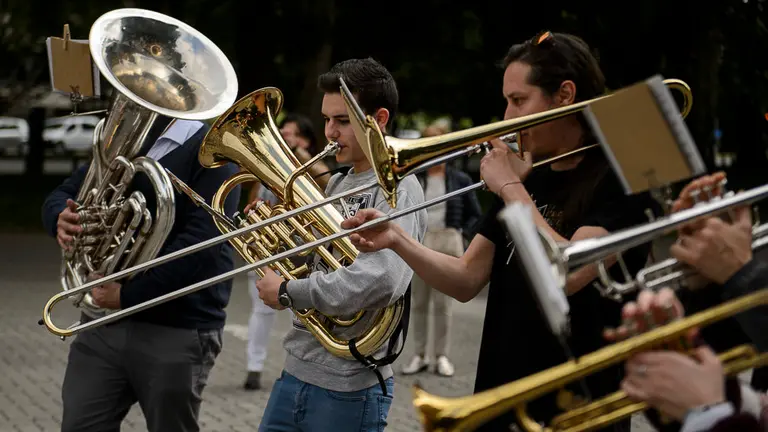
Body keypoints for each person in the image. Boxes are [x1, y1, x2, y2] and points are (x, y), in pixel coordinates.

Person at [342, 31, 658, 431]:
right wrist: (397, 240)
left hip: (578, 406)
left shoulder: (620, 176)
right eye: (507, 101)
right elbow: (466, 279)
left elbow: (570, 272)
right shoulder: (528, 176)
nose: (508, 117)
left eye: (519, 101)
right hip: (500, 395)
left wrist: (510, 188)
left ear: (564, 94)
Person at [252, 58, 427, 431]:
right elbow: (317, 260)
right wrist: (268, 233)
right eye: (327, 119)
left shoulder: (398, 189)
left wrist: (287, 291)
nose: (329, 132)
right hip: (296, 370)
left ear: (378, 119)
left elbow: (380, 280)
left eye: (342, 121)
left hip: (350, 387)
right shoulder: (337, 183)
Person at [42, 118, 240, 432]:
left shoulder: (214, 151)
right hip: (104, 323)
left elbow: (203, 245)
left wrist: (127, 294)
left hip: (177, 328)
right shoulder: (130, 138)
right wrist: (58, 217)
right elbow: (68, 190)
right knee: (79, 424)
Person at [243, 113, 330, 391]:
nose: (282, 135)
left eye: (289, 132)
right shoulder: (267, 167)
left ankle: (302, 370)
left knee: (304, 315)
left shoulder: (314, 167)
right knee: (261, 311)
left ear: (304, 140)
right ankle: (253, 368)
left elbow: (329, 185)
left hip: (301, 253)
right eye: (281, 131)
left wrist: (298, 152)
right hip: (266, 249)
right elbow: (253, 198)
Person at [401, 122, 483, 377]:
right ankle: (420, 354)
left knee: (443, 304)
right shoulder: (416, 178)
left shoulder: (460, 179)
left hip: (448, 241)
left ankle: (441, 356)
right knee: (419, 302)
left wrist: (461, 233)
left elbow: (476, 215)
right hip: (421, 241)